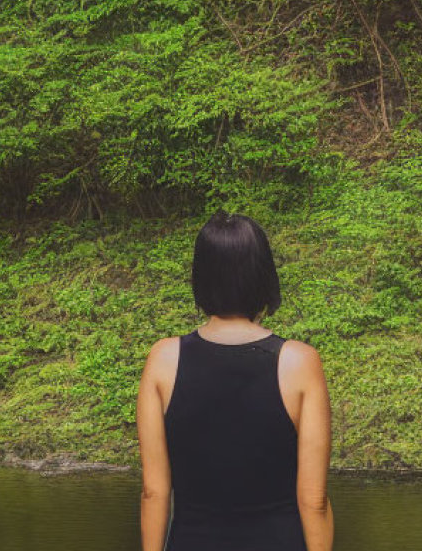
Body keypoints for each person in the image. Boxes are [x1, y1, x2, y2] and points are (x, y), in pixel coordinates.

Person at [137, 212, 333, 551]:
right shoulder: (299, 362)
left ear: (201, 278)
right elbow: (313, 501)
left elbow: (154, 492)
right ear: (263, 276)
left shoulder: (164, 359)